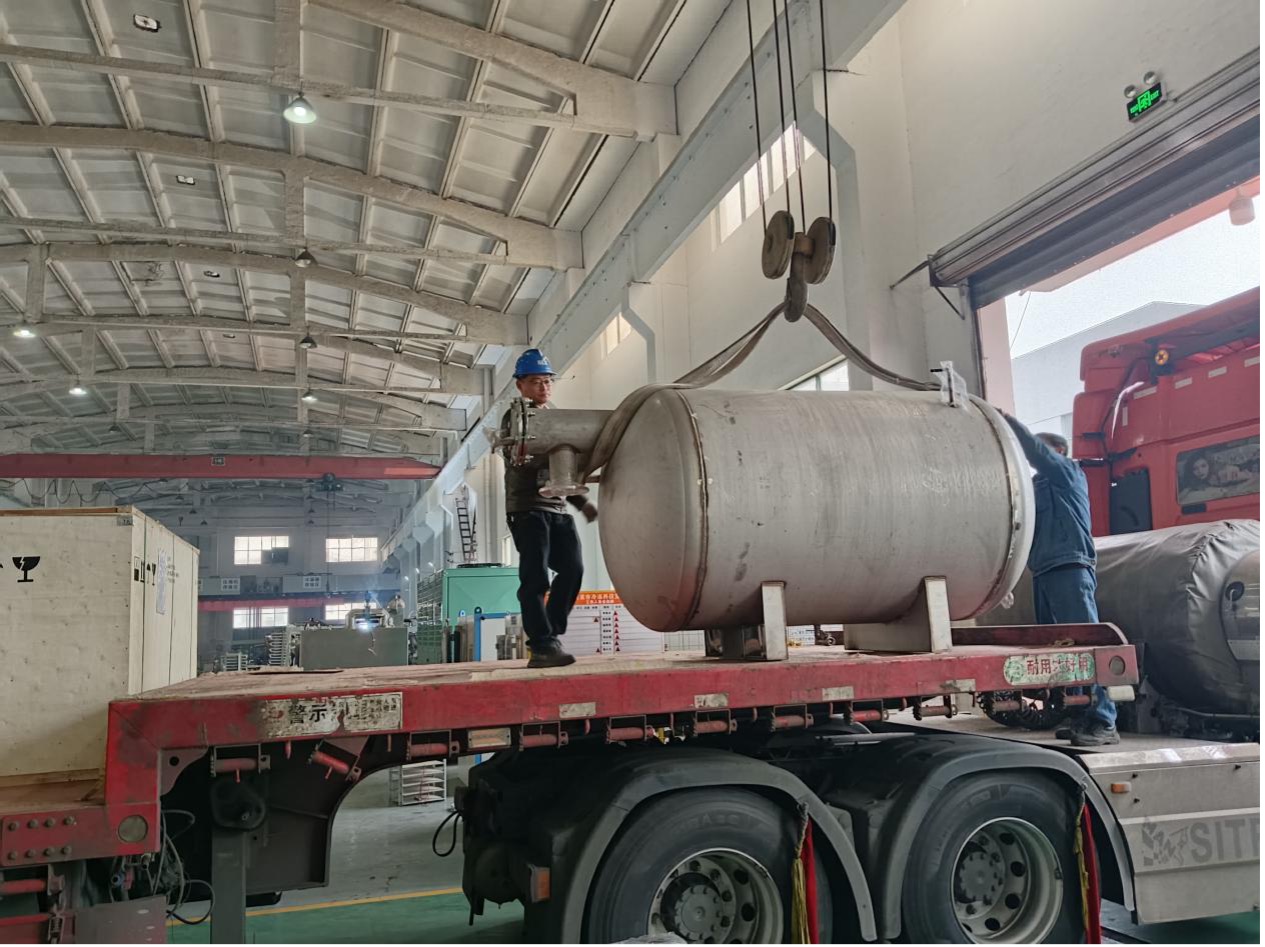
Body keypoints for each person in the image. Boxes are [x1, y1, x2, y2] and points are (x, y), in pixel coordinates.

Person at [1002, 414, 1119, 747]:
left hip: (1070, 566)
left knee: (1085, 644)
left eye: (1042, 452)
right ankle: (1081, 714)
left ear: (1059, 451)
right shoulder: (1036, 488)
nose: (1033, 460)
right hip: (1043, 572)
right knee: (1061, 651)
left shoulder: (1068, 473)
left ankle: (1104, 720)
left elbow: (1036, 452)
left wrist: (1007, 422)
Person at [502, 349, 598, 669]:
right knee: (535, 579)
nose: (543, 387)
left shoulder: (556, 418)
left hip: (557, 508)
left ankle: (551, 633)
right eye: (535, 381)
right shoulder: (516, 418)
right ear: (520, 385)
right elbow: (528, 462)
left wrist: (582, 503)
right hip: (527, 509)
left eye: (547, 381)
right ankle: (542, 645)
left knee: (573, 569)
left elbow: (563, 468)